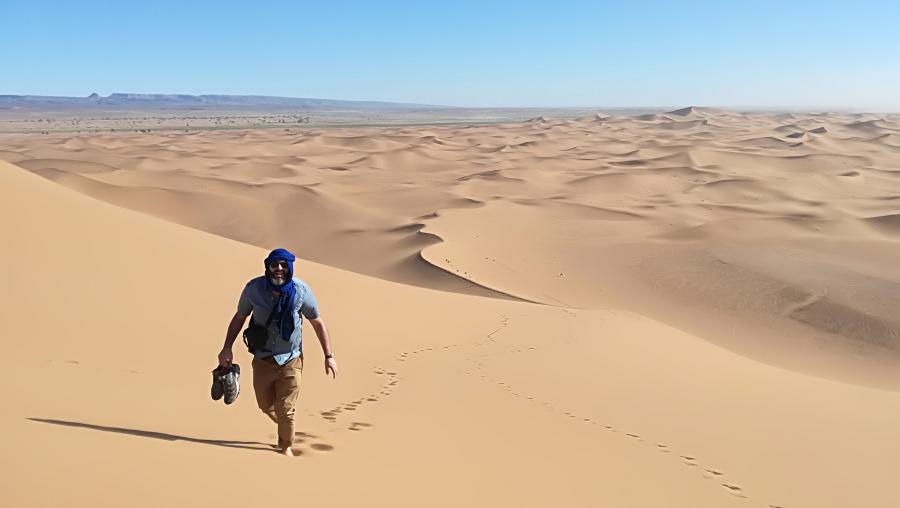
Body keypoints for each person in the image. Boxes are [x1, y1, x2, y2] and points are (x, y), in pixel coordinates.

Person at [218, 248, 336, 456]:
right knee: (265, 406)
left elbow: (317, 322)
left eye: (283, 265)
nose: (279, 270)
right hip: (263, 358)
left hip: (291, 359)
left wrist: (329, 356)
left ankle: (285, 447)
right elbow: (239, 318)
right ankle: (284, 425)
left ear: (289, 267)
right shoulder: (254, 289)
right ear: (268, 267)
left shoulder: (301, 291)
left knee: (285, 408)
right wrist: (227, 348)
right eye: (274, 265)